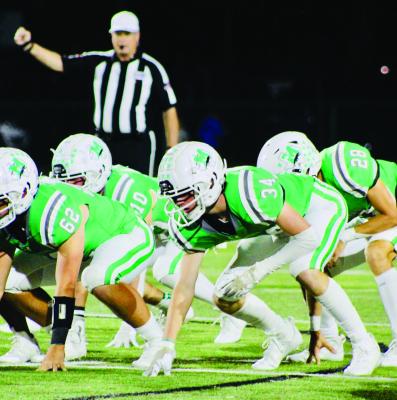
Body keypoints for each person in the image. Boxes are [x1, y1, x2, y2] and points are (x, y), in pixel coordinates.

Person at [143, 141, 380, 377]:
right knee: (224, 294)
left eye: (186, 195)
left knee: (304, 268)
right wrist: (168, 344)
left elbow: (307, 237)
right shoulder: (189, 225)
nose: (180, 205)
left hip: (317, 207)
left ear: (211, 181)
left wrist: (258, 272)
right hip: (274, 226)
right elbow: (184, 287)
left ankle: (364, 345)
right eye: (175, 198)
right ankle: (283, 334)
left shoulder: (248, 191)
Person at [49, 133, 246, 352]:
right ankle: (163, 303)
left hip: (176, 228)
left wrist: (128, 324)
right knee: (94, 264)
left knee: (164, 270)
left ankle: (227, 307)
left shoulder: (125, 189)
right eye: (64, 182)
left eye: (75, 181)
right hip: (155, 235)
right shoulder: (87, 196)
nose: (70, 189)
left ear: (98, 172)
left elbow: (141, 244)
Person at [0, 147, 163, 371]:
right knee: (9, 281)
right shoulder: (10, 215)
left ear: (24, 192)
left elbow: (66, 285)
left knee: (95, 277)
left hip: (123, 233)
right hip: (77, 246)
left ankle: (157, 341)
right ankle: (26, 341)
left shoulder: (52, 212)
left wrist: (57, 347)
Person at [257, 131, 397, 367]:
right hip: (370, 220)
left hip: (391, 210)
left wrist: (345, 236)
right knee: (311, 264)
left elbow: (392, 215)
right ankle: (330, 342)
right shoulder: (310, 195)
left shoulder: (343, 161)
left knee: (377, 252)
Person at [13, 10, 180, 176]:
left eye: (126, 34)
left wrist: (171, 150)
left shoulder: (152, 68)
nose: (121, 39)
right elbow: (61, 63)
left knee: (140, 192)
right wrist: (29, 46)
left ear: (137, 36)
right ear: (111, 36)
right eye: (117, 34)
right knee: (101, 191)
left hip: (137, 145)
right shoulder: (99, 62)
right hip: (104, 143)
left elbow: (169, 109)